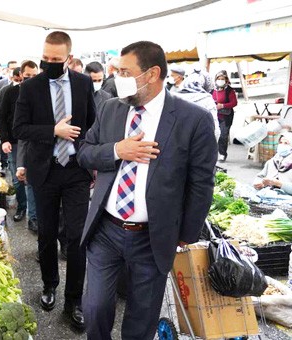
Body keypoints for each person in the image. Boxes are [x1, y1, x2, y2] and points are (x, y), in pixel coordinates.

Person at [78, 40, 217, 339]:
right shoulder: (111, 109)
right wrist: (118, 150)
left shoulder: (193, 119)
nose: (117, 78)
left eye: (125, 72)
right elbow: (84, 153)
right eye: (116, 71)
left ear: (152, 74)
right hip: (106, 229)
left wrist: (186, 233)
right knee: (95, 308)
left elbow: (201, 182)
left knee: (142, 318)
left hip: (152, 237)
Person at [13, 31, 96, 330]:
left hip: (75, 170)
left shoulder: (84, 83)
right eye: (45, 58)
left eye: (55, 60)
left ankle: (74, 300)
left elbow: (93, 125)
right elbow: (20, 127)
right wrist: (53, 131)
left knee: (77, 237)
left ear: (69, 58)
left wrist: (93, 158)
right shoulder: (31, 86)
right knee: (47, 234)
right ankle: (50, 285)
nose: (49, 63)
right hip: (44, 171)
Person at [0, 64, 28, 222]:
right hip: (14, 142)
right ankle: (22, 206)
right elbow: (2, 116)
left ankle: (34, 216)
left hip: (31, 142)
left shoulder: (39, 92)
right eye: (26, 76)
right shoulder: (9, 92)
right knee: (17, 179)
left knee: (32, 180)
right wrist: (4, 140)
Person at [174, 72, 221, 140]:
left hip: (175, 144)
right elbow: (215, 130)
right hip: (200, 143)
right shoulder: (207, 100)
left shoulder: (173, 97)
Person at [212, 71, 237, 162]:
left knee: (223, 135)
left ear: (226, 80)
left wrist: (222, 105)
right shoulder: (212, 90)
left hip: (225, 116)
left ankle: (222, 154)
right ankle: (213, 153)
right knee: (213, 135)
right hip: (214, 115)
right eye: (219, 79)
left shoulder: (229, 90)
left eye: (222, 79)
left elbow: (234, 103)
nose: (220, 81)